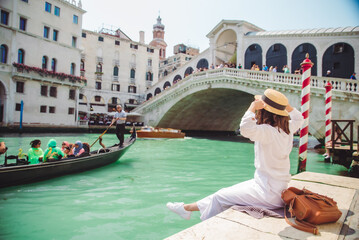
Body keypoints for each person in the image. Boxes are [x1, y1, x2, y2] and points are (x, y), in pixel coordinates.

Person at [166, 89, 304, 221]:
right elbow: (299, 119)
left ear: (265, 112)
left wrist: (252, 107)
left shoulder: (267, 131)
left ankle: (208, 227)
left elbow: (245, 129)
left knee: (221, 197)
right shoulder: (288, 129)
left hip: (267, 192)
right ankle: (186, 208)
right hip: (277, 188)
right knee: (223, 193)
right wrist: (286, 107)